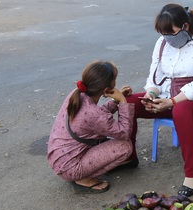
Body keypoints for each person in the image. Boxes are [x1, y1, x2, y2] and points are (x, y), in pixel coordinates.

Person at [125, 3, 193, 197]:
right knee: (130, 103)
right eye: (163, 34)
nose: (167, 38)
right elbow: (154, 77)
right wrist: (151, 95)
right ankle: (127, 156)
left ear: (185, 26)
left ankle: (192, 174)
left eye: (171, 33)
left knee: (180, 110)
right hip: (165, 98)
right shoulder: (162, 43)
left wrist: (172, 101)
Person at [47, 61, 136, 194]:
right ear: (106, 90)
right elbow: (124, 133)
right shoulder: (94, 113)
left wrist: (114, 102)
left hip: (59, 158)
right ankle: (83, 178)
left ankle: (85, 170)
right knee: (125, 147)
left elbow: (96, 117)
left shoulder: (76, 94)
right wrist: (123, 102)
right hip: (70, 167)